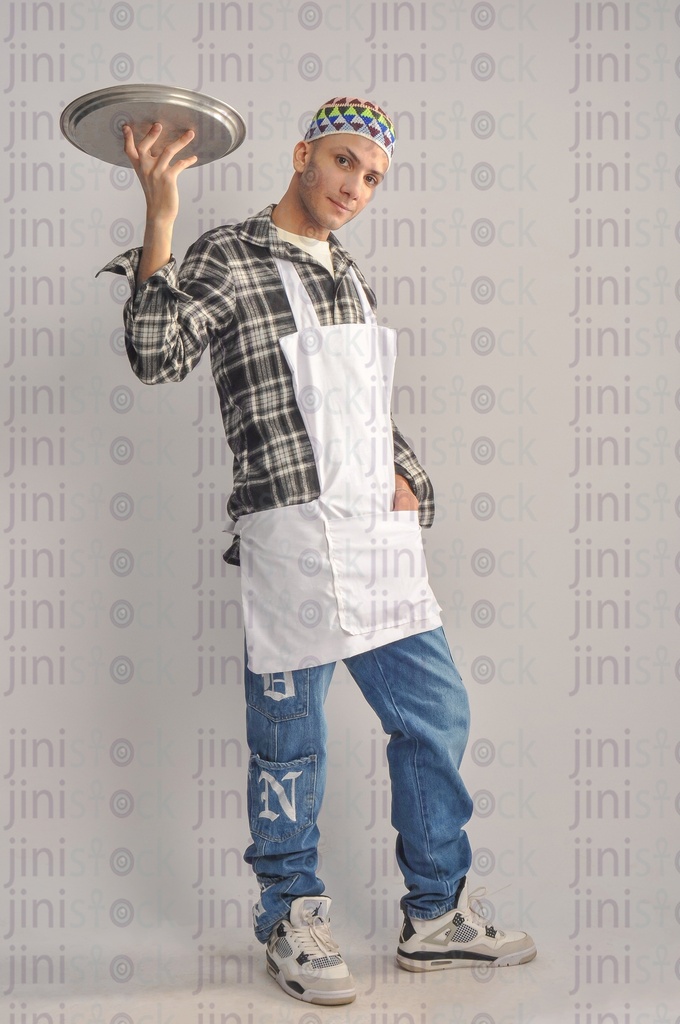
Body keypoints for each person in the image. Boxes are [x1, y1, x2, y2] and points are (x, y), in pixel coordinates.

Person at [100, 97, 536, 1007]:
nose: (355, 188)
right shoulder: (230, 254)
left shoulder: (348, 275)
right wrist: (160, 216)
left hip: (373, 541)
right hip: (291, 540)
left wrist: (410, 473)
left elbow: (365, 410)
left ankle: (436, 915)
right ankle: (290, 914)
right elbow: (154, 355)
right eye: (344, 164)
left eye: (372, 178)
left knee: (435, 719)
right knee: (289, 749)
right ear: (303, 156)